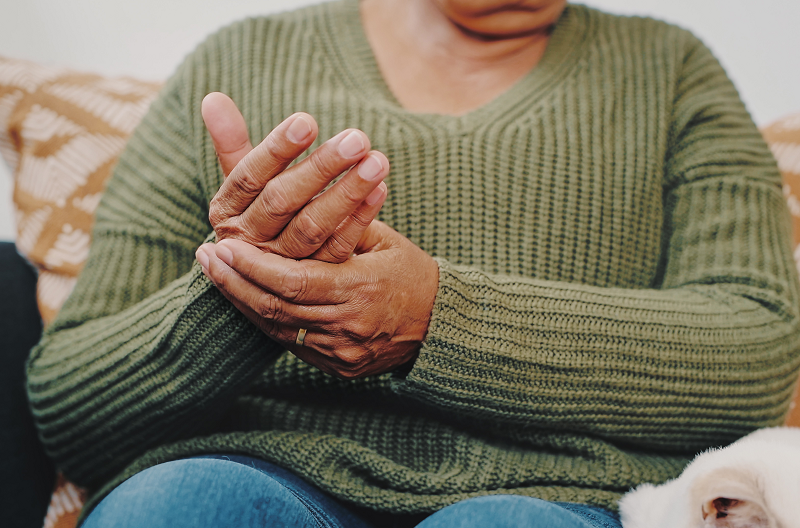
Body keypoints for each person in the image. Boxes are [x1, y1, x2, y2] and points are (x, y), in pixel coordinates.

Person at [26, 0, 800, 526]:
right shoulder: (236, 59)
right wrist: (254, 290)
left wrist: (437, 318)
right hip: (255, 468)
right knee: (181, 508)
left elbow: (756, 349)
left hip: (555, 493)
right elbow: (73, 412)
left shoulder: (672, 70)